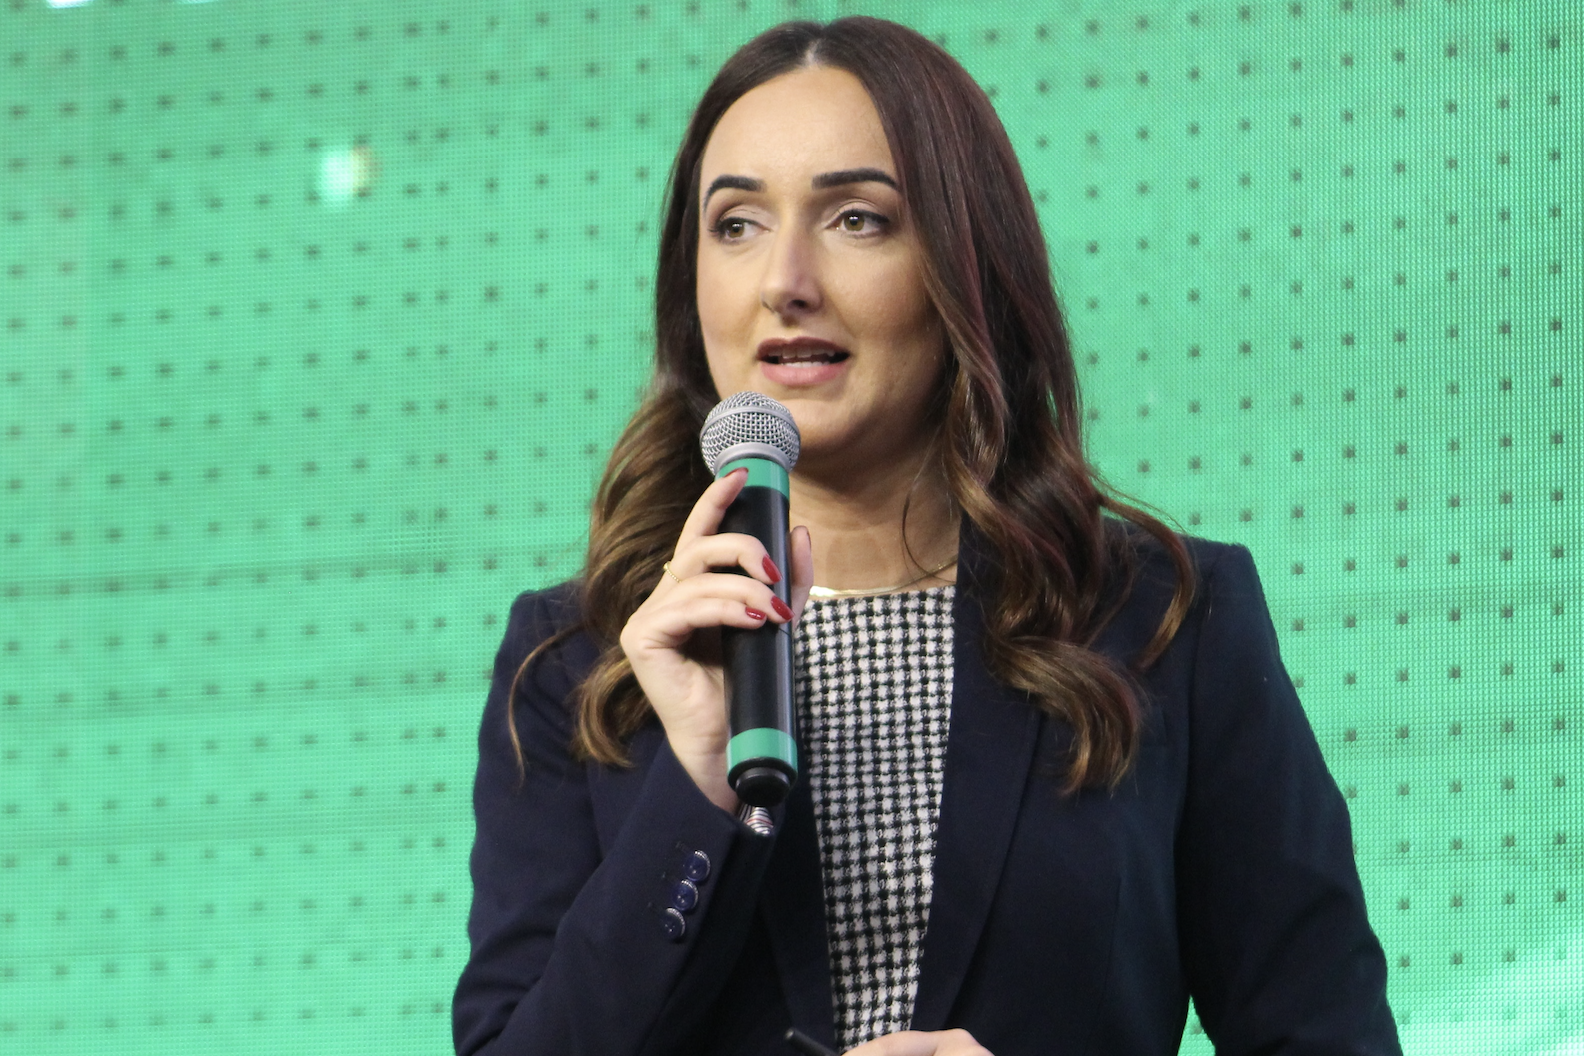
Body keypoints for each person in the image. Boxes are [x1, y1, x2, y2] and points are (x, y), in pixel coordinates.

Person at [452, 17, 1401, 1056]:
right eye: (735, 225)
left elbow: (1328, 1035)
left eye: (857, 219)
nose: (785, 280)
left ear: (963, 260)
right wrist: (699, 783)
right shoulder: (575, 661)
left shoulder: (1164, 621)